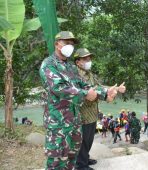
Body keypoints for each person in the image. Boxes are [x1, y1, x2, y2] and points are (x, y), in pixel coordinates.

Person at [39, 31, 119, 170]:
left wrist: (105, 93)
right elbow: (59, 88)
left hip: (75, 121)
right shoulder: (49, 64)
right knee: (57, 162)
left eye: (72, 44)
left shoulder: (70, 66)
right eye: (67, 43)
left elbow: (83, 85)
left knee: (72, 159)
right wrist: (85, 93)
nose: (70, 46)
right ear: (57, 44)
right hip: (58, 124)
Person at [73, 48, 126, 170]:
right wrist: (107, 92)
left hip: (92, 112)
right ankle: (80, 165)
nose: (89, 60)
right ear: (77, 62)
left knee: (89, 139)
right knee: (83, 140)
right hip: (83, 114)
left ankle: (85, 158)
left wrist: (115, 89)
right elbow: (89, 92)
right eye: (85, 59)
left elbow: (99, 87)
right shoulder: (76, 75)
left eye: (89, 58)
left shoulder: (89, 73)